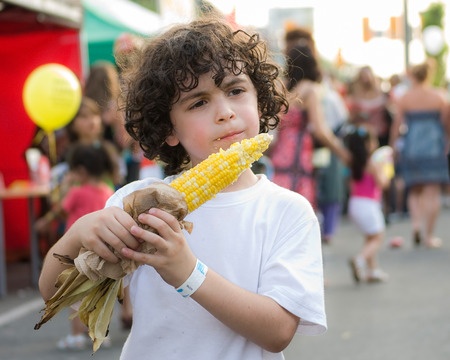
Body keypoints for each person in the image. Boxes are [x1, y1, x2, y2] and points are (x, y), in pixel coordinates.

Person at [38, 17, 327, 359]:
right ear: (169, 128)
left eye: (236, 91)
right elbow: (55, 291)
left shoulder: (287, 211)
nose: (224, 112)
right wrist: (78, 233)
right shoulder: (138, 201)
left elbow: (278, 331)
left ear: (260, 101)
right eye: (198, 102)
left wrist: (187, 272)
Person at [36, 143, 115, 349]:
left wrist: (66, 186)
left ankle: (78, 336)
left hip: (76, 253)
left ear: (80, 171)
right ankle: (100, 334)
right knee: (98, 294)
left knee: (75, 295)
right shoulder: (107, 189)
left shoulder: (77, 192)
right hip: (101, 252)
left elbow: (61, 210)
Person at [269, 40, 350, 209]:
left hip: (280, 150)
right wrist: (341, 152)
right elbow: (320, 130)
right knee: (298, 206)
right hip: (299, 152)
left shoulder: (281, 87)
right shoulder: (310, 89)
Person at [389, 61, 449, 248]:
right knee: (432, 192)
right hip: (434, 147)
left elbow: (396, 126)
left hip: (412, 147)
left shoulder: (405, 98)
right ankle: (428, 235)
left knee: (414, 189)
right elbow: (446, 124)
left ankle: (416, 225)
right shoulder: (439, 96)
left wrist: (393, 147)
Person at [345, 125, 390, 283]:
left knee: (369, 236)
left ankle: (373, 270)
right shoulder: (373, 164)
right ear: (368, 144)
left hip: (355, 203)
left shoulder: (353, 163)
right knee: (378, 237)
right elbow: (383, 183)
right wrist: (387, 172)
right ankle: (360, 259)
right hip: (369, 204)